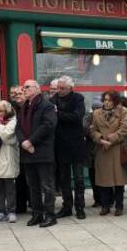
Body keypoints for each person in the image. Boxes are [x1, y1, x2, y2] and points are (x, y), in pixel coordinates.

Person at [17, 79, 58, 228]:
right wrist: (23, 142)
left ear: (37, 89)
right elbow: (19, 128)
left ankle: (50, 215)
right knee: (32, 186)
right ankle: (37, 214)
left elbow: (48, 125)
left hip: (43, 152)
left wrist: (31, 141)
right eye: (23, 88)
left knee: (47, 186)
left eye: (27, 87)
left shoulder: (46, 105)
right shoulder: (24, 107)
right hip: (28, 152)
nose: (24, 90)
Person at [52, 76, 87, 219]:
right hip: (60, 144)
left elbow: (76, 117)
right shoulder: (53, 99)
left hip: (76, 144)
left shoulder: (78, 98)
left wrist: (58, 113)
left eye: (62, 88)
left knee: (78, 178)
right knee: (64, 179)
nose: (59, 91)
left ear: (70, 88)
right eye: (58, 88)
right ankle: (67, 206)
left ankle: (80, 207)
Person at [90, 90, 127, 216]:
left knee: (118, 181)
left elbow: (124, 129)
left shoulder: (123, 111)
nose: (107, 102)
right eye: (105, 100)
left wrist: (110, 140)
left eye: (110, 100)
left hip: (117, 149)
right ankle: (105, 206)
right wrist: (101, 139)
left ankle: (119, 206)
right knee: (103, 181)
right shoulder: (96, 113)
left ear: (115, 101)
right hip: (102, 150)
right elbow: (93, 130)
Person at [9, 85, 29, 214]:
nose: (18, 96)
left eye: (20, 93)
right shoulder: (10, 109)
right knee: (20, 178)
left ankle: (33, 202)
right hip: (15, 148)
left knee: (31, 178)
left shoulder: (30, 107)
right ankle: (20, 205)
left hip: (29, 145)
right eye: (15, 95)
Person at [85, 98, 103, 208]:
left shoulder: (106, 116)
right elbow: (86, 130)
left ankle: (108, 198)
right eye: (95, 108)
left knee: (104, 176)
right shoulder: (88, 117)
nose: (97, 110)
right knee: (93, 177)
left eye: (99, 108)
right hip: (91, 152)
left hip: (103, 151)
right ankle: (97, 199)